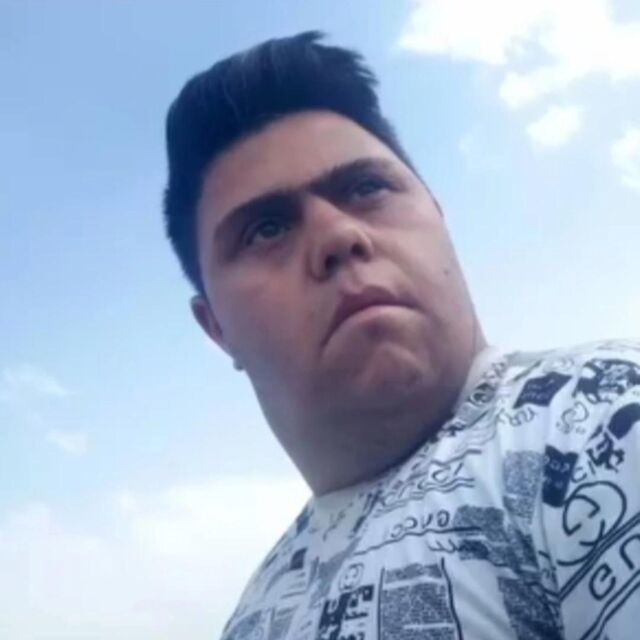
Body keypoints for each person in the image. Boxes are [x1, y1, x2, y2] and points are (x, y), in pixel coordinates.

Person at [162, 31, 640, 640]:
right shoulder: (256, 610)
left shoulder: (602, 420)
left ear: (437, 214)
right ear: (216, 327)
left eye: (367, 188)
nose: (338, 235)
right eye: (267, 229)